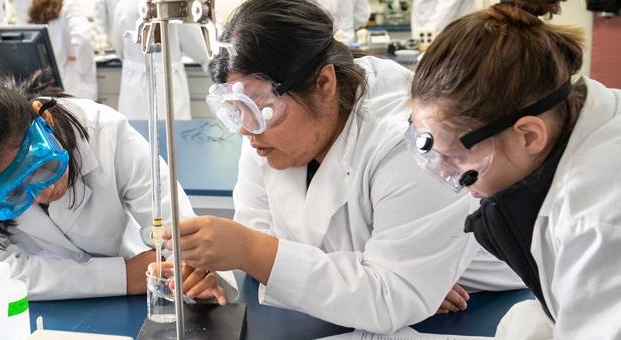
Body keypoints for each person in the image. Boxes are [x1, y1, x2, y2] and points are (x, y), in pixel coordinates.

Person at [159, 0, 523, 334]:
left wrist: (405, 282)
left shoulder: (410, 141)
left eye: (256, 106)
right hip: (381, 297)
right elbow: (258, 235)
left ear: (324, 82)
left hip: (486, 304)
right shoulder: (269, 131)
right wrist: (219, 270)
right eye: (235, 108)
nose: (245, 128)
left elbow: (389, 298)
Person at [407, 0, 621, 338]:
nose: (449, 177)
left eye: (459, 159)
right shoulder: (580, 113)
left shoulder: (603, 223)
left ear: (529, 135)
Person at [0, 71, 234, 302]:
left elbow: (178, 232)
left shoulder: (106, 133)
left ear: (43, 118)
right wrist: (121, 277)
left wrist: (194, 269)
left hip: (139, 284)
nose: (44, 193)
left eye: (42, 168)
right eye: (15, 194)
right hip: (35, 309)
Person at [111, 0, 196, 120]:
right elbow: (195, 46)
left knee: (135, 133)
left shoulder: (124, 5)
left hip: (134, 84)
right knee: (172, 132)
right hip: (168, 79)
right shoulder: (175, 5)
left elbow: (119, 46)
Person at [28, 0, 98, 100]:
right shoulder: (70, 6)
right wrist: (84, 68)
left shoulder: (38, 8)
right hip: (75, 84)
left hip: (52, 84)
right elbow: (84, 39)